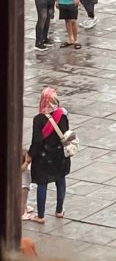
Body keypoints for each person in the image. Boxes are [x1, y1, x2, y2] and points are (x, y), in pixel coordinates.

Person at [27, 87, 71, 223]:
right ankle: (59, 210)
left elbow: (37, 141)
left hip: (43, 157)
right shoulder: (62, 115)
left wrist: (29, 155)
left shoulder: (38, 119)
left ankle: (40, 216)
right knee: (60, 180)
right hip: (59, 155)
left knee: (42, 184)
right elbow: (66, 135)